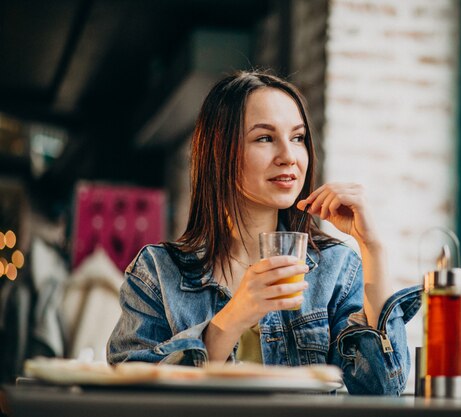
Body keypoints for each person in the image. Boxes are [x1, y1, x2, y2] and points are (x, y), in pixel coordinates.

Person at [107, 71, 422, 395]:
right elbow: (130, 392)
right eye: (265, 138)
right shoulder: (158, 272)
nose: (289, 157)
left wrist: (373, 248)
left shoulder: (337, 268)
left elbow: (383, 391)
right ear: (219, 152)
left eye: (298, 138)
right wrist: (231, 320)